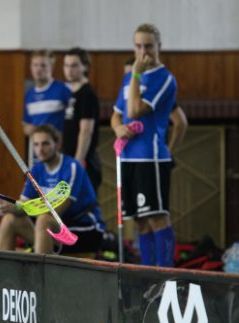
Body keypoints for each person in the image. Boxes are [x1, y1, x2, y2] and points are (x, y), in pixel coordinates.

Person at [111, 23, 179, 267]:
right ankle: (147, 275)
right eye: (138, 46)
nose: (143, 52)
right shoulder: (129, 78)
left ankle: (166, 275)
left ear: (159, 47)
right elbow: (118, 113)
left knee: (156, 217)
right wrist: (118, 128)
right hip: (128, 157)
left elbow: (135, 110)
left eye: (148, 46)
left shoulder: (164, 79)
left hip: (150, 157)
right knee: (139, 219)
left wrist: (137, 75)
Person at [0, 125, 104, 255]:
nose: (40, 150)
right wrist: (10, 207)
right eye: (36, 145)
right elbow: (23, 203)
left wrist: (21, 208)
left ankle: (42, 274)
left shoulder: (72, 167)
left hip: (86, 229)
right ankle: (1, 273)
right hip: (55, 229)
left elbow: (56, 212)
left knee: (44, 220)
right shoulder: (36, 170)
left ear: (57, 143)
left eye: (45, 144)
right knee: (9, 219)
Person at [123, 57, 188, 153]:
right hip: (131, 153)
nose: (130, 79)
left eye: (133, 75)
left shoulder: (155, 95)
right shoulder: (126, 95)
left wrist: (169, 152)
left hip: (153, 154)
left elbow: (181, 123)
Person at [62, 47, 102, 192]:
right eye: (66, 65)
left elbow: (86, 131)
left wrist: (78, 162)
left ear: (85, 67)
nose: (69, 70)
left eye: (74, 65)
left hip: (84, 161)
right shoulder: (68, 93)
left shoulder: (87, 94)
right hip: (67, 159)